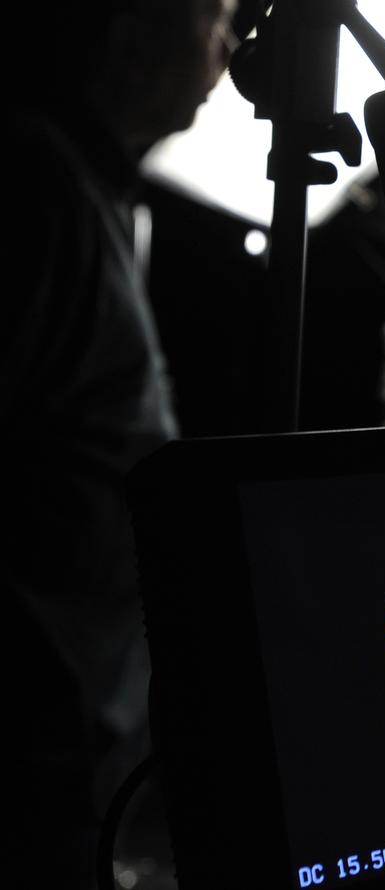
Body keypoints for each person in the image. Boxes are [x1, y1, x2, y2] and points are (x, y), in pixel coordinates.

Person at [1, 1, 236, 885]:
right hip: (35, 780)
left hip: (80, 775)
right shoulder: (37, 190)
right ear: (131, 22)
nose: (230, 37)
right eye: (212, 11)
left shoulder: (89, 195)